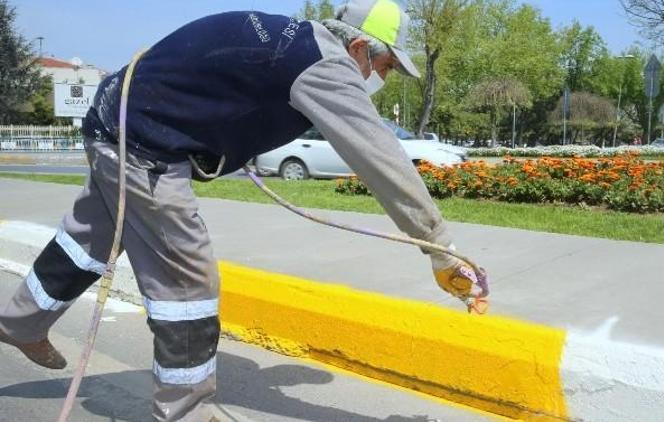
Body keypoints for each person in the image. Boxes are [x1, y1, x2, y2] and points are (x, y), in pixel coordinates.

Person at [0, 1, 483, 420]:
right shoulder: (328, 67)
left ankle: (20, 321)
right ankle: (184, 411)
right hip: (144, 147)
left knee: (88, 239)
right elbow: (381, 158)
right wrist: (439, 247)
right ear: (359, 49)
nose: (384, 78)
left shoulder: (296, 40)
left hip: (114, 120)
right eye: (386, 67)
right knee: (187, 284)